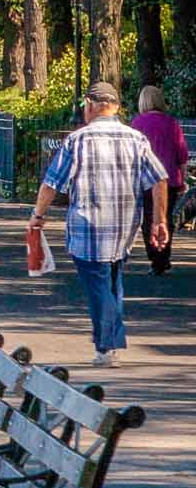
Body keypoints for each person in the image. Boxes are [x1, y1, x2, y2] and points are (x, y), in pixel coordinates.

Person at [31, 82, 172, 365]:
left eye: (85, 106)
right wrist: (160, 220)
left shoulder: (77, 140)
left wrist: (38, 216)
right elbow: (159, 179)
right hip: (124, 227)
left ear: (91, 105)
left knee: (98, 285)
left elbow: (51, 184)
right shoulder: (136, 139)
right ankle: (107, 342)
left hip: (88, 226)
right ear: (117, 107)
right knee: (112, 283)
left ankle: (107, 346)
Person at [128, 85, 190, 261]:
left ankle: (154, 255)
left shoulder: (137, 123)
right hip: (169, 178)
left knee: (148, 218)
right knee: (166, 217)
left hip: (145, 179)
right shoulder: (172, 123)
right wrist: (182, 179)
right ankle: (164, 254)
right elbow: (182, 154)